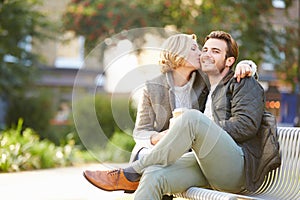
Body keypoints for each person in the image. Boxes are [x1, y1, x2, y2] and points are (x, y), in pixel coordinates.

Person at [83, 31, 264, 199]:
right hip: (204, 163)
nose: (205, 54)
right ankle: (138, 172)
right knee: (154, 175)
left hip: (236, 168)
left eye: (215, 51)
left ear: (229, 61)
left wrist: (247, 65)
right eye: (205, 49)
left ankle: (130, 173)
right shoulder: (207, 86)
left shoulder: (240, 81)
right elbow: (142, 131)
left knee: (192, 118)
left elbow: (246, 126)